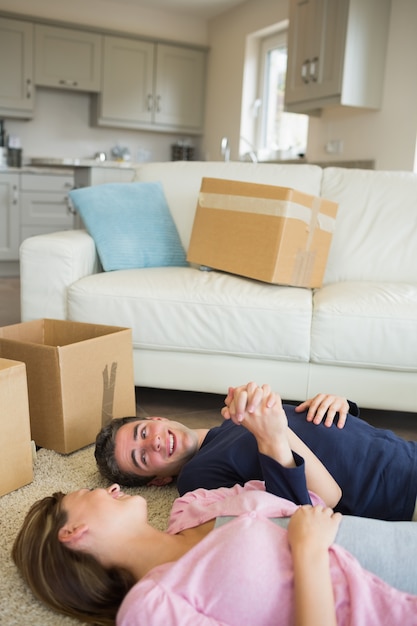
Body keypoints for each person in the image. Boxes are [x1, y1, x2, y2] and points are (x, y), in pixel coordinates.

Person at [12, 478, 417, 626]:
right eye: (90, 492)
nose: (112, 487)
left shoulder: (192, 509)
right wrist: (309, 551)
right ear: (72, 532)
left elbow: (322, 497)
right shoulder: (148, 607)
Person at [95, 382, 417, 521]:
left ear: (156, 419)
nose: (152, 442)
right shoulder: (196, 479)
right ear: (155, 481)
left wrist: (341, 405)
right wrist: (274, 432)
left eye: (142, 432)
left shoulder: (234, 420)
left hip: (403, 450)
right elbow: (305, 505)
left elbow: (327, 432)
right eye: (141, 457)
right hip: (396, 494)